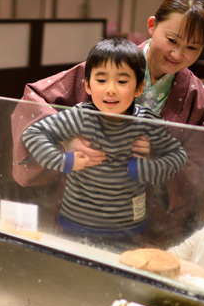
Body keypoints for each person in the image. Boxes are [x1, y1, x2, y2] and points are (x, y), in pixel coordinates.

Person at [12, 0, 204, 248]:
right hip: (82, 207)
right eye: (172, 40)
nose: (177, 54)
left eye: (192, 48)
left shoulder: (200, 100)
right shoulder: (109, 63)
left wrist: (158, 160)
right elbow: (35, 100)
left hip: (143, 221)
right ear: (152, 26)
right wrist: (66, 142)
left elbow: (199, 170)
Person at [21, 37, 187, 250]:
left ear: (139, 88)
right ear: (88, 85)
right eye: (101, 81)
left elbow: (178, 157)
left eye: (122, 81)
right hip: (74, 223)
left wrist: (147, 169)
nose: (111, 89)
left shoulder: (148, 122)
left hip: (128, 228)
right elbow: (34, 134)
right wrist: (65, 161)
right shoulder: (81, 116)